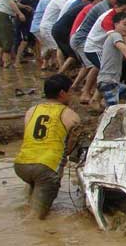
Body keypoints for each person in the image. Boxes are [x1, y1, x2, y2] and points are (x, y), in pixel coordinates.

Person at [14, 74, 80, 219]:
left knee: (32, 196)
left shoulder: (31, 110)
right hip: (46, 168)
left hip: (21, 165)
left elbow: (28, 136)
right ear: (62, 93)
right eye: (71, 91)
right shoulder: (71, 115)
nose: (72, 95)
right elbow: (70, 149)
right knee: (35, 219)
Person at [70, 0, 125, 103]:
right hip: (83, 40)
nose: (120, 0)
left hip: (87, 40)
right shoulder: (105, 9)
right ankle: (93, 96)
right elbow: (114, 34)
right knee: (105, 69)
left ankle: (81, 89)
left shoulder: (111, 8)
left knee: (95, 66)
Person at [97, 12, 126, 108]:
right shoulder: (115, 35)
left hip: (114, 83)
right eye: (124, 24)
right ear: (116, 24)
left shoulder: (118, 37)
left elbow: (125, 51)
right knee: (113, 109)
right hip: (108, 82)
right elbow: (123, 49)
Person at [38, 0, 74, 69]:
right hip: (48, 27)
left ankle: (46, 63)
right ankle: (60, 66)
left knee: (51, 47)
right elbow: (68, 11)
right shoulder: (60, 0)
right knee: (57, 47)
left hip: (48, 26)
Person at [0, 0, 26, 68]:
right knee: (8, 40)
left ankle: (0, 60)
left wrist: (24, 7)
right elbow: (12, 3)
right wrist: (20, 14)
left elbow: (13, 2)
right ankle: (7, 63)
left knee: (2, 39)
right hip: (6, 15)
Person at [30, 0, 57, 68]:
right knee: (53, 46)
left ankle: (47, 63)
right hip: (40, 27)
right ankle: (50, 62)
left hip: (37, 27)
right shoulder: (46, 1)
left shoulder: (46, 0)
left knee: (47, 46)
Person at [15, 0, 38, 67]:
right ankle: (17, 61)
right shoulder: (22, 0)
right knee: (24, 41)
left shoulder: (35, 0)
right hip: (22, 25)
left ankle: (39, 60)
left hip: (31, 25)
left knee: (34, 42)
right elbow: (16, 8)